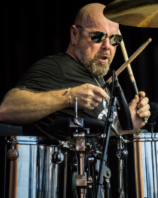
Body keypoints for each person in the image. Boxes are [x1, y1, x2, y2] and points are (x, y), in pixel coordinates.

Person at [0, 3, 150, 137]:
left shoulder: (96, 78)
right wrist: (69, 97)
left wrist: (125, 127)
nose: (107, 46)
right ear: (74, 34)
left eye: (114, 39)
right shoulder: (57, 67)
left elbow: (100, 141)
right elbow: (6, 109)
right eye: (98, 36)